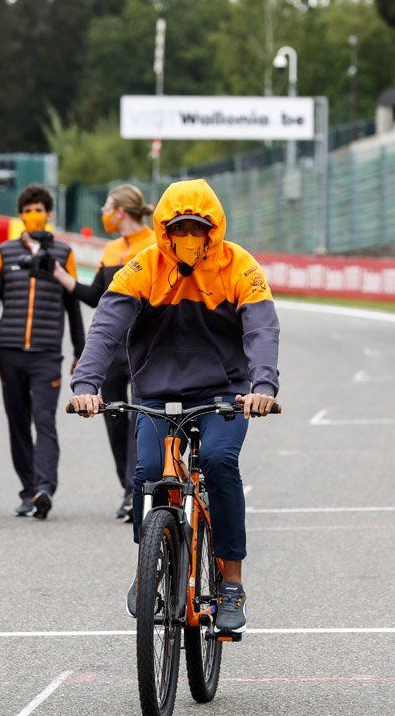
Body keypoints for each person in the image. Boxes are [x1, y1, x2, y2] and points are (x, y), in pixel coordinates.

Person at [68, 179, 279, 634]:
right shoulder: (141, 266)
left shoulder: (238, 265)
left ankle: (230, 584)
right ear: (164, 229)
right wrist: (86, 383)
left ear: (212, 229)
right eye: (178, 227)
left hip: (224, 393)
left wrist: (264, 385)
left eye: (196, 228)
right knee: (145, 475)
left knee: (220, 464)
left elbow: (261, 330)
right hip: (157, 394)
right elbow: (105, 327)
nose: (187, 236)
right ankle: (150, 569)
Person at [0, 184, 85, 519]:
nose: (33, 214)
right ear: (20, 215)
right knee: (18, 422)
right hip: (9, 352)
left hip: (47, 353)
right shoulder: (5, 252)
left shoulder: (64, 254)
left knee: (44, 420)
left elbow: (73, 305)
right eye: (27, 210)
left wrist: (81, 352)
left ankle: (45, 488)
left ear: (48, 213)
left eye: (39, 209)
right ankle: (28, 490)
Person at [53, 184, 154, 521]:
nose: (104, 214)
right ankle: (127, 488)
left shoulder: (154, 245)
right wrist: (60, 276)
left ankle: (137, 488)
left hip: (143, 347)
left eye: (108, 207)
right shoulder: (111, 250)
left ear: (121, 211)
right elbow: (96, 295)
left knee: (141, 418)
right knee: (113, 417)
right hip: (111, 349)